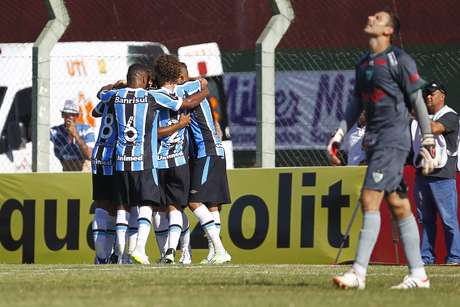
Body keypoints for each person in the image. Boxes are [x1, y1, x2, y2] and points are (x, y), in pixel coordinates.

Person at [327, 11, 436, 289]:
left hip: (392, 140)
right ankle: (419, 275)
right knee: (399, 205)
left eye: (378, 17)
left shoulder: (399, 60)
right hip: (374, 143)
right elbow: (355, 103)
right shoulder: (363, 63)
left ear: (388, 31)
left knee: (369, 199)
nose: (370, 17)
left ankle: (358, 273)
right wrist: (339, 134)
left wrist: (427, 139)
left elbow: (417, 101)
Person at [98, 63, 210, 264]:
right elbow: (181, 104)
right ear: (143, 80)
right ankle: (141, 249)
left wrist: (114, 85)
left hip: (121, 162)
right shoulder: (151, 96)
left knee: (123, 207)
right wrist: (204, 89)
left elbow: (101, 95)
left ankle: (121, 255)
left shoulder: (116, 95)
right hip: (145, 160)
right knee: (147, 204)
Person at [413, 81, 460, 265]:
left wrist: (416, 111)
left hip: (442, 175)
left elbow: (434, 128)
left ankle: (455, 257)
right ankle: (426, 257)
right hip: (422, 174)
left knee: (448, 220)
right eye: (427, 94)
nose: (429, 97)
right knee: (426, 220)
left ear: (443, 95)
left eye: (433, 93)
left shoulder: (450, 115)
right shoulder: (421, 118)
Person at [50, 99, 95, 171]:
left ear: (77, 116)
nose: (69, 117)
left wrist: (75, 134)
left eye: (73, 115)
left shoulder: (86, 129)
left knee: (87, 164)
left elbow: (89, 155)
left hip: (83, 168)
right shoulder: (55, 131)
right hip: (66, 166)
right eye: (66, 114)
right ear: (62, 115)